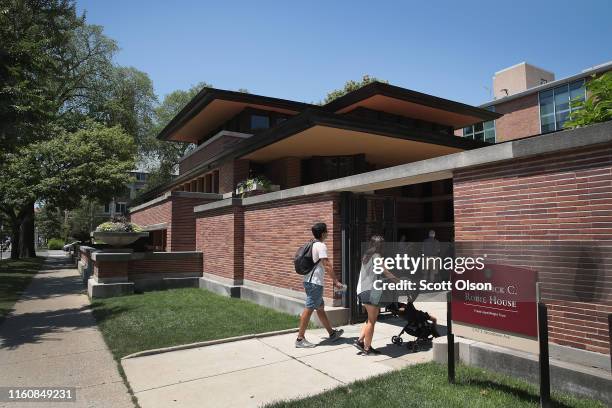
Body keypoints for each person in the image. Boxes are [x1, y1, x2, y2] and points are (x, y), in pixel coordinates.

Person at [295, 222, 344, 348]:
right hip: (315, 283)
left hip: (308, 281)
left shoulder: (311, 244)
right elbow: (327, 264)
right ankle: (300, 339)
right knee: (309, 308)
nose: (328, 233)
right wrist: (336, 281)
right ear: (323, 233)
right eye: (327, 231)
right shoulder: (321, 246)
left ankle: (332, 334)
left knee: (320, 308)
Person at [355, 235, 398, 355]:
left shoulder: (366, 256)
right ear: (380, 246)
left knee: (370, 318)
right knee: (372, 321)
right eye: (383, 245)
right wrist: (400, 282)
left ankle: (360, 341)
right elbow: (386, 271)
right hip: (370, 292)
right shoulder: (377, 256)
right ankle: (367, 349)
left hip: (362, 290)